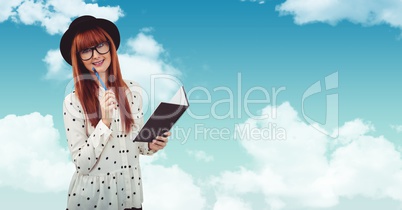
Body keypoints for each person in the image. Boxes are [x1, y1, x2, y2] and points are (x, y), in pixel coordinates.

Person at [60, 15, 170, 210]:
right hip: (91, 202)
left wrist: (152, 144)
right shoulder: (73, 101)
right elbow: (82, 165)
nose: (95, 55)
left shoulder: (133, 91)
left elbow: (138, 146)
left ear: (110, 47)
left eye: (100, 45)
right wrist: (105, 122)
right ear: (78, 57)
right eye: (86, 50)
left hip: (130, 196)